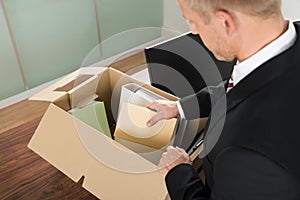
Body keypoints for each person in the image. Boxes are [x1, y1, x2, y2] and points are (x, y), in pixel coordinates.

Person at [147, 0, 300, 199]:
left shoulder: (246, 155)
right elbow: (237, 85)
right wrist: (179, 107)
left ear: (225, 22)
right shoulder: (270, 48)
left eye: (192, 21)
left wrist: (178, 172)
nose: (194, 31)